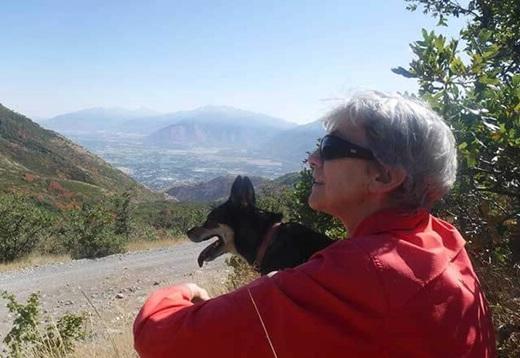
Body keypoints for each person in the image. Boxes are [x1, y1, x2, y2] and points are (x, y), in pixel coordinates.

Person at [133, 91, 496, 357]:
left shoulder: (362, 275)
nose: (313, 159)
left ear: (385, 176)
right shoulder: (441, 243)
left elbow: (160, 338)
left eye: (332, 147)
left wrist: (183, 293)